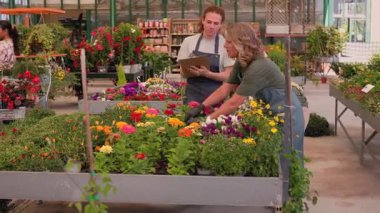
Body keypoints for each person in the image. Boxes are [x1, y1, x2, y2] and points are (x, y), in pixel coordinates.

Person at [185, 22, 304, 158]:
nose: (224, 46)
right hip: (272, 113)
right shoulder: (242, 62)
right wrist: (201, 106)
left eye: (229, 42)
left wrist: (206, 121)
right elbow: (224, 89)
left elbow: (234, 103)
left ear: (240, 44)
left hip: (287, 116)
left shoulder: (258, 67)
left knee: (286, 161)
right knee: (270, 159)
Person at [177, 5, 235, 104]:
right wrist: (190, 70)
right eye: (209, 22)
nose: (212, 26)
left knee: (212, 119)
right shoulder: (189, 42)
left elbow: (229, 75)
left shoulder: (225, 44)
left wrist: (208, 74)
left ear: (221, 24)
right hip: (192, 94)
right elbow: (182, 72)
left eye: (216, 23)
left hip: (215, 95)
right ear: (203, 20)